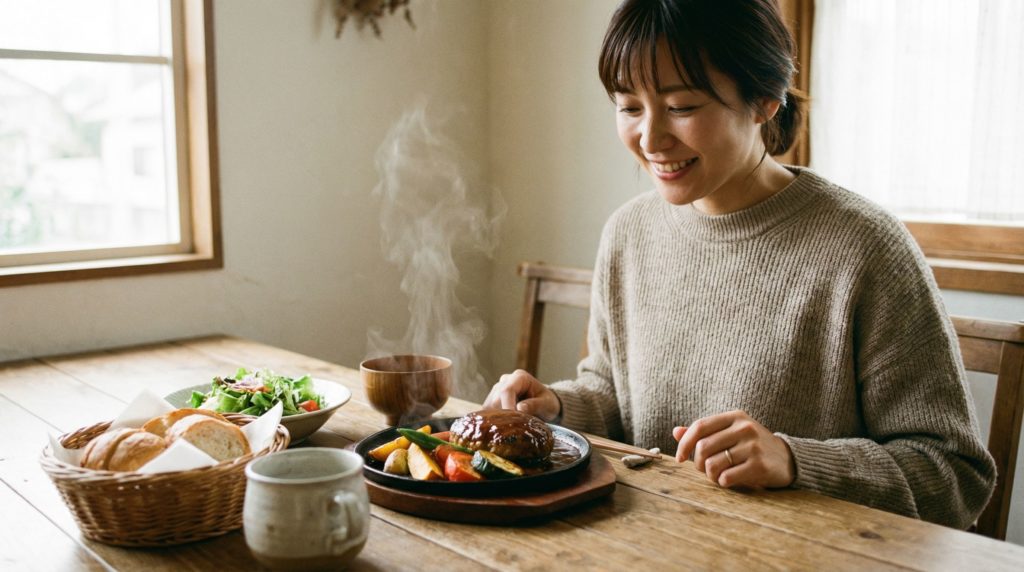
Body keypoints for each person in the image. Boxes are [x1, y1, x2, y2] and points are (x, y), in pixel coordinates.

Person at [482, 0, 995, 528]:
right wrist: (557, 409)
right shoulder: (628, 233)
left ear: (765, 101)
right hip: (647, 545)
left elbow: (954, 475)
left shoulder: (865, 248)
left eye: (681, 106)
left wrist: (795, 461)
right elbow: (613, 395)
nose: (651, 140)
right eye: (629, 107)